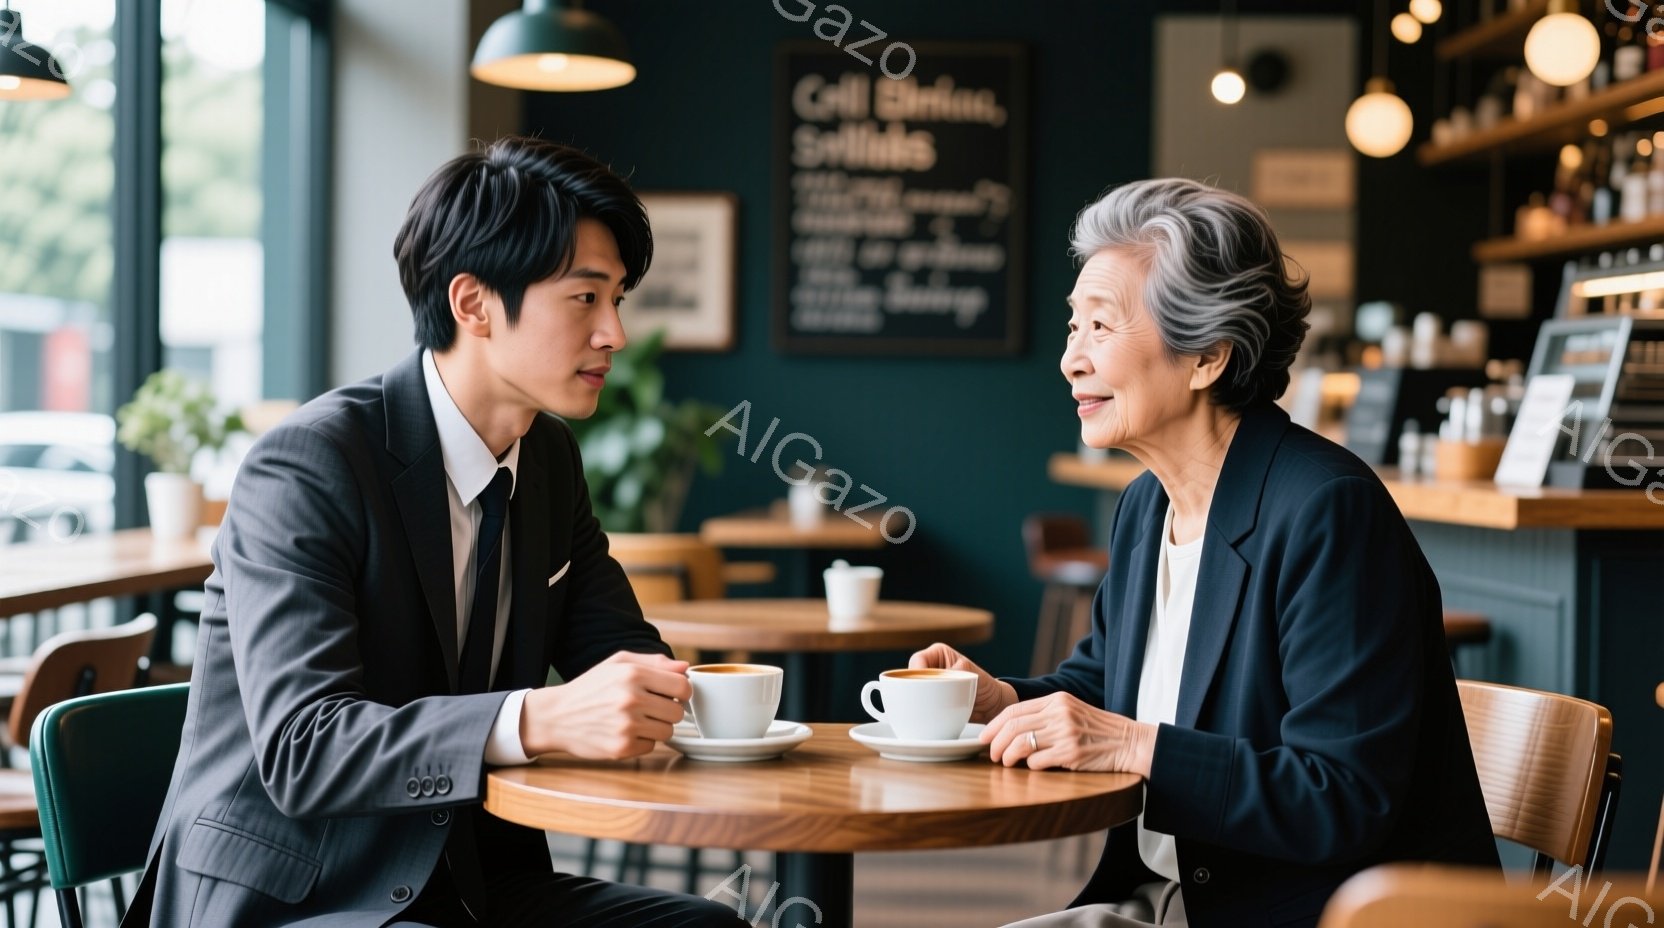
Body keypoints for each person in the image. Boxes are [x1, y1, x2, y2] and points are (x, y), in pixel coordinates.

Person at [122, 137, 743, 927]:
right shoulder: (310, 463)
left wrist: (688, 700)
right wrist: (537, 717)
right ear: (473, 303)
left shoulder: (548, 458)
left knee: (708, 924)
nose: (614, 333)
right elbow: (304, 748)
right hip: (295, 894)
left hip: (470, 880)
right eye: (586, 298)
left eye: (617, 299)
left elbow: (625, 658)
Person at [911, 178, 1499, 928]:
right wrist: (1002, 701)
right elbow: (1107, 688)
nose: (1070, 359)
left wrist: (1135, 746)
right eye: (1073, 325)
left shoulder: (1327, 512)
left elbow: (1342, 797)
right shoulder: (1146, 504)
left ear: (1208, 357)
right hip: (1168, 902)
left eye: (1101, 326)